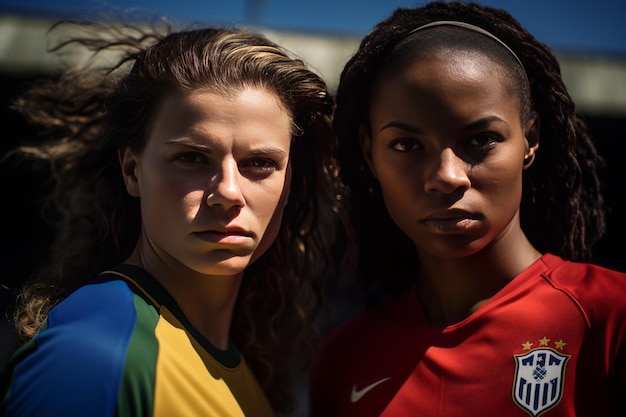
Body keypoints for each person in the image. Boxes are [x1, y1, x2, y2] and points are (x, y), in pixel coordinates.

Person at [0, 18, 346, 417]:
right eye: (191, 158)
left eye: (260, 163)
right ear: (132, 171)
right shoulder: (88, 360)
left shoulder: (237, 359)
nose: (228, 191)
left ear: (291, 184)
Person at [309, 1, 626, 416]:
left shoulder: (611, 316)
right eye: (406, 144)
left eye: (481, 140)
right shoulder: (344, 359)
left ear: (529, 140)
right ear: (370, 154)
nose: (447, 175)